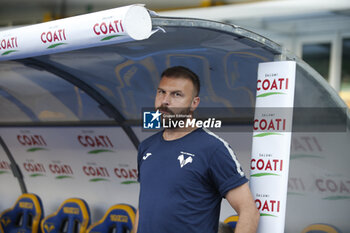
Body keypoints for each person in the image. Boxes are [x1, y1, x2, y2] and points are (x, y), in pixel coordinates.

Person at [133, 66, 259, 233]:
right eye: (161, 92)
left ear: (194, 103)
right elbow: (144, 208)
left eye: (176, 94)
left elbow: (249, 212)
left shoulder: (213, 148)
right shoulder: (146, 146)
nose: (165, 101)